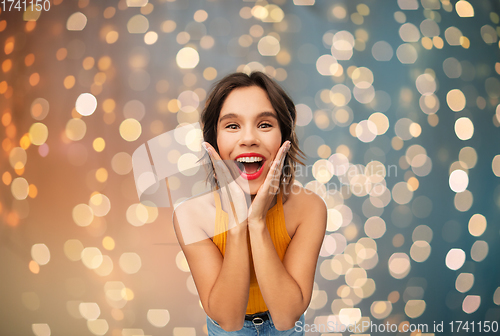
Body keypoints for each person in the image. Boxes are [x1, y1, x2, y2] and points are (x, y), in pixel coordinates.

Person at [173, 71, 327, 335]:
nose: (248, 139)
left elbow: (287, 317)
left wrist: (256, 223)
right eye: (232, 126)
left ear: (284, 139)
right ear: (213, 141)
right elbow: (229, 321)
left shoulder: (309, 208)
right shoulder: (190, 215)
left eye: (265, 125)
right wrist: (236, 224)